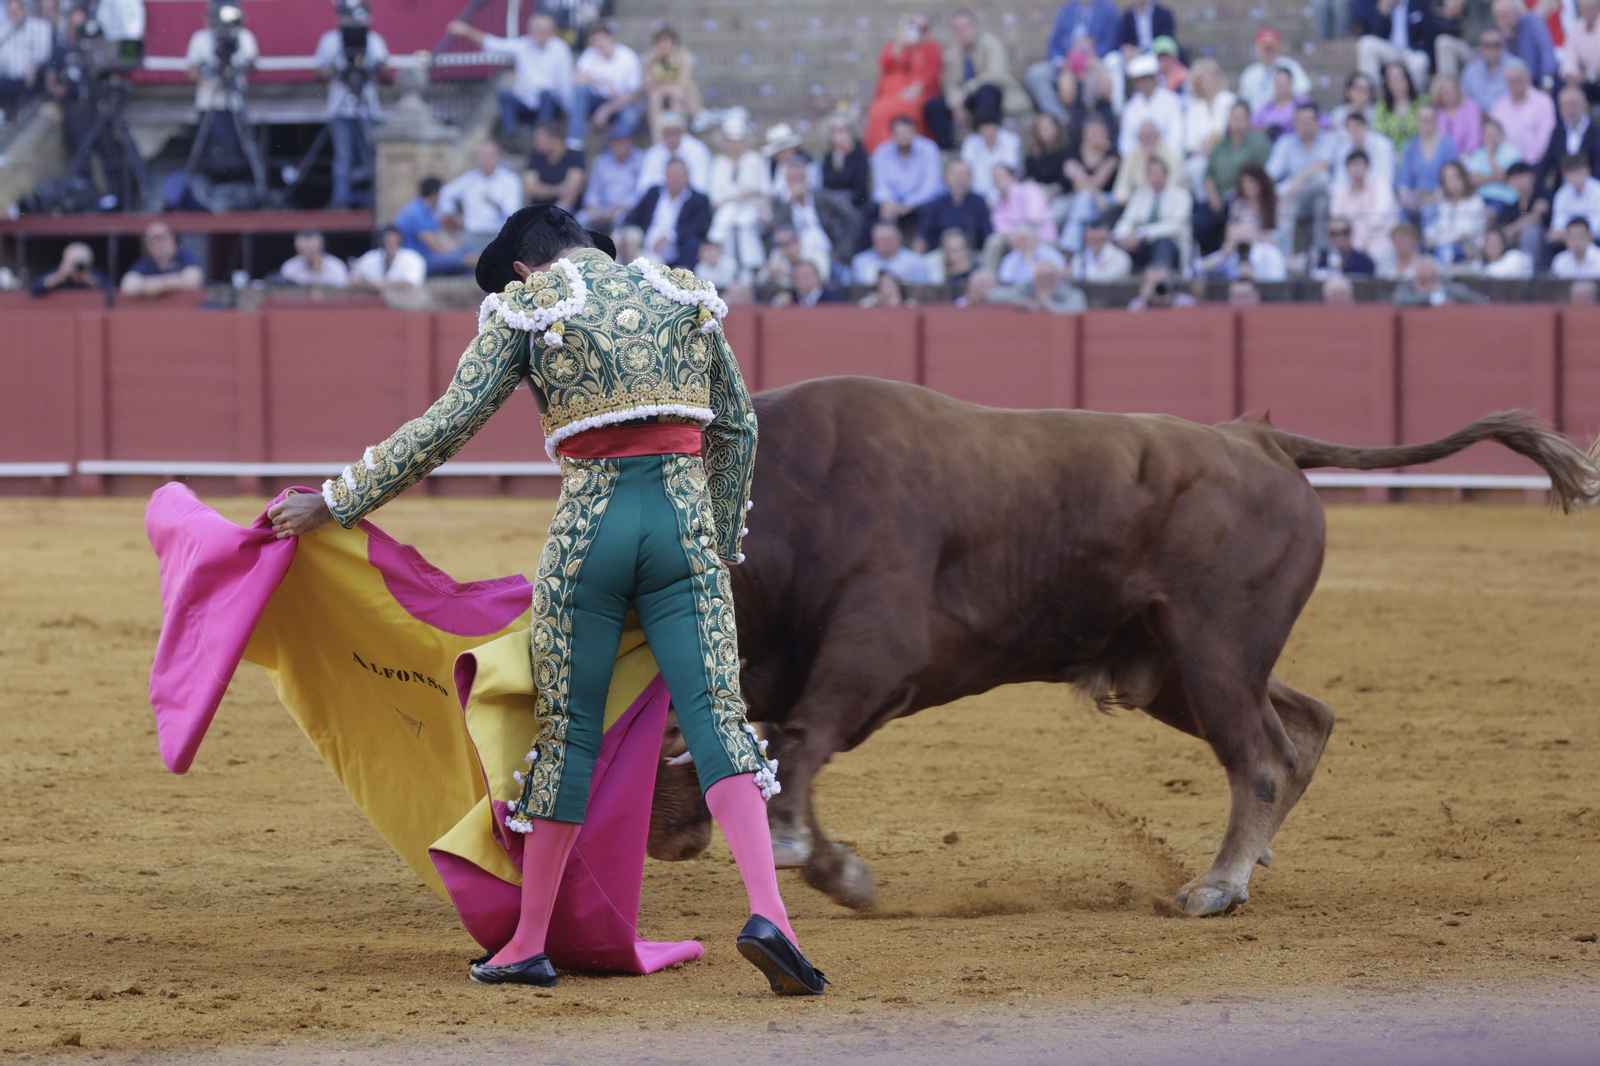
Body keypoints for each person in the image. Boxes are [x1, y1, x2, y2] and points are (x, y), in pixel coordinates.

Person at [268, 204, 823, 997]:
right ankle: (771, 914)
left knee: (567, 734)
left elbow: (445, 426)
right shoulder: (682, 295)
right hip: (682, 526)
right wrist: (714, 541)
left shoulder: (530, 308)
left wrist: (337, 500)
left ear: (525, 268)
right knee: (719, 722)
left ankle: (528, 942)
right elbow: (736, 430)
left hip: (591, 533)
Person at [449, 12, 572, 142]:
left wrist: (568, 111)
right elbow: (492, 44)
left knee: (546, 94)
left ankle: (542, 135)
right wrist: (467, 31)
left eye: (545, 30)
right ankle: (511, 138)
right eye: (538, 29)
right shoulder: (523, 45)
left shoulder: (560, 49)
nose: (541, 34)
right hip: (526, 105)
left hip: (549, 106)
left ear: (552, 31)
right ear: (530, 31)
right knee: (504, 94)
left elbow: (565, 84)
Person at [313, 8, 389, 210]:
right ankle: (340, 201)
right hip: (340, 106)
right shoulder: (330, 40)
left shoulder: (373, 40)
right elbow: (319, 71)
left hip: (367, 106)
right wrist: (340, 68)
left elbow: (386, 67)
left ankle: (378, 200)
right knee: (342, 157)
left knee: (370, 155)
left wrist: (368, 65)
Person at [929, 8, 1026, 150]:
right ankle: (948, 149)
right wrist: (956, 102)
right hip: (966, 99)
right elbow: (949, 83)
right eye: (957, 28)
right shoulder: (954, 51)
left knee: (987, 91)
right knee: (933, 106)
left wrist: (965, 91)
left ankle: (985, 143)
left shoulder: (991, 43)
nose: (961, 31)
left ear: (975, 27)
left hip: (993, 94)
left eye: (964, 27)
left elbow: (995, 75)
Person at [183, 3, 259, 175]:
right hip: (210, 102)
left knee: (239, 147)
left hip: (235, 102)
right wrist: (208, 71)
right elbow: (191, 71)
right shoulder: (201, 38)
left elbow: (254, 65)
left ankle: (239, 184)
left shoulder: (243, 37)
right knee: (211, 149)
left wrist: (238, 64)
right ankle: (209, 185)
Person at [1026, 0, 1120, 120]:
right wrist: (1060, 61)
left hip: (1095, 60)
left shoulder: (1107, 9)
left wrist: (1091, 59)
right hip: (1067, 62)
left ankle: (1115, 112)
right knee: (1035, 74)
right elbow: (1053, 43)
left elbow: (1111, 40)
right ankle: (1060, 117)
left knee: (1111, 65)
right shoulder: (1067, 11)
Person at [1266, 102, 1337, 256]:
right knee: (1285, 201)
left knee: (1322, 184)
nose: (1305, 126)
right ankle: (1285, 253)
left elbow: (1323, 164)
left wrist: (1298, 180)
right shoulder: (1286, 142)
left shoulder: (1329, 139)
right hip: (1294, 200)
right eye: (1301, 121)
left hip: (1320, 194)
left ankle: (1320, 254)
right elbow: (1271, 173)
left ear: (1318, 123)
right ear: (1295, 123)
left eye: (1310, 121)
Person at [864, 12, 943, 151]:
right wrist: (900, 44)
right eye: (914, 26)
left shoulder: (931, 46)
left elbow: (933, 72)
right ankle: (880, 151)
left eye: (923, 28)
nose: (918, 31)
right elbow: (884, 64)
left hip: (917, 92)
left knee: (904, 110)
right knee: (879, 112)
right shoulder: (895, 45)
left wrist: (918, 87)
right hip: (890, 93)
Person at [706, 116, 768, 278]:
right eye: (731, 141)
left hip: (752, 208)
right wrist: (740, 195)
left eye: (739, 141)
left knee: (744, 223)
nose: (734, 145)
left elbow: (763, 189)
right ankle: (727, 270)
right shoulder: (718, 162)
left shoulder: (755, 159)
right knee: (724, 223)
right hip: (726, 210)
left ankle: (751, 268)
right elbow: (715, 199)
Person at [869, 115, 945, 244]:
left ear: (915, 132)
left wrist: (908, 204)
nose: (903, 137)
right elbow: (880, 186)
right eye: (899, 133)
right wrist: (888, 202)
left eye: (907, 132)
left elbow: (931, 187)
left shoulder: (929, 149)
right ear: (892, 135)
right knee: (871, 210)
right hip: (894, 201)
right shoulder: (882, 152)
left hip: (920, 200)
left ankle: (921, 246)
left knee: (932, 207)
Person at [625, 157, 712, 270]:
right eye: (671, 175)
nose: (675, 179)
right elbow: (632, 216)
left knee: (692, 243)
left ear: (687, 175)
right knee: (627, 235)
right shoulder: (653, 193)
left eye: (678, 175)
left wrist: (671, 236)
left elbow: (700, 227)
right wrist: (633, 237)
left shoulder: (699, 199)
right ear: (665, 176)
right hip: (644, 246)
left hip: (676, 249)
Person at [770, 158, 854, 274]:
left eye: (799, 177)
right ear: (786, 181)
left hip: (828, 255)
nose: (796, 182)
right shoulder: (781, 203)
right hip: (796, 259)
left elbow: (853, 218)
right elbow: (778, 230)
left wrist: (842, 250)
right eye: (792, 178)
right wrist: (791, 200)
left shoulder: (822, 198)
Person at [570, 20, 643, 149]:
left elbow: (633, 96)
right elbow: (576, 78)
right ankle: (574, 139)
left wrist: (606, 110)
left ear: (611, 38)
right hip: (597, 100)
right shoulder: (589, 55)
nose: (600, 43)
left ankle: (610, 148)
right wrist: (602, 81)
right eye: (595, 40)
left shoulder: (628, 57)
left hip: (621, 103)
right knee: (579, 92)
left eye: (603, 38)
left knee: (630, 117)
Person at [439, 141, 525, 251]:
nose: (485, 159)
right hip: (472, 237)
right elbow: (445, 193)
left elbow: (513, 212)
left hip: (498, 236)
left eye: (489, 155)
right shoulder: (469, 179)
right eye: (482, 155)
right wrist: (452, 215)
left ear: (498, 157)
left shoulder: (510, 180)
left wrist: (495, 204)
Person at [1112, 154, 1192, 270]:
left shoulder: (1181, 196)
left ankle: (1159, 280)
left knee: (1163, 242)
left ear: (1166, 175)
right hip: (1142, 246)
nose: (1155, 177)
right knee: (1117, 246)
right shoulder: (1139, 196)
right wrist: (1123, 236)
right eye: (1152, 173)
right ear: (1147, 176)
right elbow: (1126, 220)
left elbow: (1175, 226)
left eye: (1159, 173)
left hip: (1172, 248)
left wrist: (1143, 233)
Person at [1059, 116, 1119, 252]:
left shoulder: (1112, 153)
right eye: (1091, 132)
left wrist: (1086, 184)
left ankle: (1069, 250)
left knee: (1084, 199)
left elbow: (1097, 181)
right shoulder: (1073, 151)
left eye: (1099, 132)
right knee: (1083, 199)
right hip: (1090, 199)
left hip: (1107, 199)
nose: (1095, 136)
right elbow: (1077, 184)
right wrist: (1095, 194)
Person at [395, 176, 476, 276]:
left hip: (429, 254)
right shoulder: (415, 212)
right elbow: (435, 245)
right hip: (418, 259)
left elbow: (440, 237)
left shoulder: (428, 211)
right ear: (434, 194)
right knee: (459, 262)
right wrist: (463, 257)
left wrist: (460, 250)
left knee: (469, 251)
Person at [1354, 0, 1438, 91]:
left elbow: (1428, 35)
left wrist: (1407, 55)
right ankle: (1373, 97)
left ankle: (1414, 100)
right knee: (1366, 44)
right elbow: (1376, 35)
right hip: (1392, 52)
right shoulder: (1384, 5)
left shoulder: (1419, 3)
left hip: (1413, 53)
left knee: (1420, 62)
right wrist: (1382, 12)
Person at [916, 158, 992, 255]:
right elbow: (923, 236)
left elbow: (987, 235)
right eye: (956, 174)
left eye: (965, 174)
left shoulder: (979, 202)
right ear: (946, 177)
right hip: (941, 256)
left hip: (972, 255)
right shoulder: (936, 204)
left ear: (971, 178)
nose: (960, 179)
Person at [1182, 58, 1238, 186]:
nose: (1207, 84)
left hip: (1228, 152)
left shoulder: (1229, 100)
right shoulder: (1194, 108)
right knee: (1194, 168)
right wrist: (1205, 151)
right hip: (1203, 156)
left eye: (1211, 78)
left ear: (1218, 79)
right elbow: (1191, 144)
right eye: (1203, 80)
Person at [1397, 101, 1458, 218]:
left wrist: (1433, 199)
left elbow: (1452, 176)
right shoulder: (1410, 146)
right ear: (1418, 122)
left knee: (1429, 213)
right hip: (1415, 198)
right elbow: (1404, 179)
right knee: (1402, 214)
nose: (1427, 124)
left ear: (1436, 121)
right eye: (1423, 120)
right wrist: (1408, 199)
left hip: (1440, 198)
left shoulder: (1448, 146)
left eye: (1430, 120)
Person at [1537, 83, 1600, 194]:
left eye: (1574, 105)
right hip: (1562, 193)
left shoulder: (1596, 132)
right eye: (1565, 106)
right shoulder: (1558, 133)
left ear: (1584, 104)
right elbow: (1546, 163)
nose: (1570, 110)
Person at [642, 26, 701, 141]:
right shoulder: (649, 56)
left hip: (683, 96)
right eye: (661, 42)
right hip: (661, 94)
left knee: (677, 99)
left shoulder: (683, 55)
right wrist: (670, 88)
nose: (664, 46)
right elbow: (648, 83)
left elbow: (683, 82)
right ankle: (658, 139)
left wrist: (660, 83)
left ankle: (679, 138)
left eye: (667, 42)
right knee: (654, 98)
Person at [635, 110, 712, 197]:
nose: (671, 137)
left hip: (690, 201)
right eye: (667, 133)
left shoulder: (698, 150)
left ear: (682, 131)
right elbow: (644, 186)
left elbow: (701, 184)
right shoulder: (653, 153)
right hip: (659, 201)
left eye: (674, 132)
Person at [1118, 53, 1181, 158]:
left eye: (1149, 78)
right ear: (1136, 82)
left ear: (1155, 78)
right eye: (1141, 79)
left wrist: (1158, 155)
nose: (1146, 83)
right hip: (1139, 159)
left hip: (1166, 157)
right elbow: (1125, 144)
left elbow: (1176, 137)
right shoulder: (1130, 108)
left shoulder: (1171, 100)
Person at [120, 221, 204, 298]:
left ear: (172, 239)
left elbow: (193, 280)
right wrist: (173, 282)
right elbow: (127, 286)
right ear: (148, 245)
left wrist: (153, 286)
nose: (158, 243)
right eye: (153, 239)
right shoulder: (146, 262)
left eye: (162, 237)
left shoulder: (185, 255)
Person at [1111, 119, 1185, 205]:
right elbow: (1121, 188)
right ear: (1138, 139)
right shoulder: (1131, 157)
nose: (1147, 140)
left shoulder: (1174, 154)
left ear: (1158, 136)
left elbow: (1174, 185)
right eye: (1143, 137)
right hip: (1139, 203)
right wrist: (1132, 200)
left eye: (1150, 136)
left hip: (1170, 202)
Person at [1238, 27, 1312, 112]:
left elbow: (1304, 93)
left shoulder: (1292, 67)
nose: (1268, 51)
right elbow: (1243, 102)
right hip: (1256, 122)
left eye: (1272, 47)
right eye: (1264, 47)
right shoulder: (1249, 73)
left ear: (1280, 47)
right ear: (1257, 48)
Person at [1424, 160, 1486, 261]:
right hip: (1442, 248)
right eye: (1447, 178)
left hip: (1467, 251)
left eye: (1455, 177)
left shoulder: (1475, 202)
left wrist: (1439, 242)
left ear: (1463, 177)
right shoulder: (1443, 204)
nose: (1452, 182)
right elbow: (1434, 230)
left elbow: (1463, 234)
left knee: (1446, 252)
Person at [0, 0, 51, 118]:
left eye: (16, 11)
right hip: (10, 80)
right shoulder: (3, 33)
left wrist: (33, 68)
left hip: (33, 77)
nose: (15, 16)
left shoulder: (40, 26)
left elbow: (44, 55)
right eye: (11, 13)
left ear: (23, 10)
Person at [990, 162, 1059, 249]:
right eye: (995, 177)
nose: (998, 179)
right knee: (993, 242)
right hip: (1014, 240)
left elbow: (1035, 218)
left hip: (1040, 236)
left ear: (1013, 177)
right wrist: (1014, 235)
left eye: (1001, 175)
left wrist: (1019, 233)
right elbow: (1001, 228)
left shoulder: (1030, 189)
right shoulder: (997, 204)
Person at [1491, 0, 1558, 85]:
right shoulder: (1499, 35)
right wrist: (1508, 38)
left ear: (1516, 13)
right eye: (1498, 18)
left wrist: (1547, 80)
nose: (1502, 21)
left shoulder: (1533, 22)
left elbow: (1547, 52)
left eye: (1505, 16)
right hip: (1514, 85)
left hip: (1540, 80)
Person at [1199, 219, 1288, 281]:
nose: (1241, 248)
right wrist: (1222, 255)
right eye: (1235, 240)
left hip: (1267, 303)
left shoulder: (1270, 252)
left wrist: (1253, 276)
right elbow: (1197, 270)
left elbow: (1279, 283)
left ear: (1254, 236)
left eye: (1243, 242)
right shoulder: (1229, 254)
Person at [524, 122, 586, 211]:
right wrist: (556, 190)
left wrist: (555, 215)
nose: (535, 143)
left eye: (539, 140)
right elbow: (530, 188)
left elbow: (572, 189)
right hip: (539, 211)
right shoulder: (535, 157)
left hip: (569, 211)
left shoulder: (575, 156)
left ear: (555, 139)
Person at [991, 256, 1088, 312]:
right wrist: (1019, 302)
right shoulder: (1026, 289)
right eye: (1042, 277)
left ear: (1058, 279)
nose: (1046, 282)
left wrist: (1050, 306)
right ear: (1034, 279)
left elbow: (1078, 309)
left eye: (1050, 277)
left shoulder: (1068, 292)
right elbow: (994, 295)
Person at [1465, 116, 1523, 210]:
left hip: (1504, 198)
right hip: (1479, 197)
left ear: (1502, 134)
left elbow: (1505, 177)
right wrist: (1494, 178)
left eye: (1493, 133)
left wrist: (1491, 158)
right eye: (1487, 134)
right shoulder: (1478, 154)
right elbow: (1472, 180)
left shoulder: (1512, 152)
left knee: (1488, 214)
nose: (1490, 137)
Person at [1332, 110, 1397, 192]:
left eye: (1357, 127)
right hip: (1353, 194)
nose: (1354, 131)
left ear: (1366, 126)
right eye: (1350, 128)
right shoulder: (1343, 149)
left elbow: (1385, 177)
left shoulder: (1382, 145)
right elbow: (1340, 179)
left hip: (1379, 192)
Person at [1498, 160, 1552, 256]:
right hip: (1520, 246)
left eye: (1522, 177)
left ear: (1532, 177)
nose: (1519, 182)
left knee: (1529, 231)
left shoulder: (1542, 195)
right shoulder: (1513, 206)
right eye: (1514, 179)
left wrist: (1513, 229)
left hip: (1546, 240)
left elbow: (1535, 217)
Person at [961, 117, 1022, 202]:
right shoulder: (970, 143)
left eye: (990, 126)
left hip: (1004, 195)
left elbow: (1011, 173)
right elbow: (966, 170)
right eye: (984, 127)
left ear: (996, 126)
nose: (987, 130)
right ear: (979, 129)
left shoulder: (1011, 140)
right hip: (977, 196)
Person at [850, 221, 931, 285]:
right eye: (880, 240)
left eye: (888, 240)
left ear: (898, 240)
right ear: (873, 241)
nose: (884, 244)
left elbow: (921, 291)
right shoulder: (860, 262)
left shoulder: (916, 261)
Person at [350, 226, 427, 290]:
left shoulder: (413, 258)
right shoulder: (370, 258)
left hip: (403, 304)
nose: (390, 246)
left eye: (394, 242)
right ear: (382, 243)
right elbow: (352, 280)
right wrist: (370, 284)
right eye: (387, 243)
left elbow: (411, 284)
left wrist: (382, 283)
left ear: (400, 243)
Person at [1548, 153, 1600, 244]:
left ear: (1587, 170)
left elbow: (1597, 224)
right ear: (1565, 175)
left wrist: (1580, 235)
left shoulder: (1597, 190)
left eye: (1578, 172)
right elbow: (1557, 225)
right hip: (1568, 241)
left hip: (1594, 239)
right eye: (1571, 173)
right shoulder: (1562, 194)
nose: (1575, 177)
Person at [996, 221, 1068, 285]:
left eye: (1027, 239)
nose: (1024, 243)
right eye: (1020, 240)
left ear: (1036, 238)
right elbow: (1006, 282)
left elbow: (1063, 275)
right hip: (1019, 295)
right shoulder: (1010, 259)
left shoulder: (1050, 254)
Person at [1374, 60, 1425, 145]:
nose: (1397, 84)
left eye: (1400, 78)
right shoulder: (1382, 106)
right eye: (1392, 80)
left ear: (1408, 79)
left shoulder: (1422, 101)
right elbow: (1379, 136)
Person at [1395, 255, 1490, 302]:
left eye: (1431, 279)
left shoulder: (1451, 289)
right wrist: (1429, 298)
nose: (1428, 283)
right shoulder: (1407, 290)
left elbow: (1480, 301)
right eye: (1423, 280)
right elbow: (1400, 299)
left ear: (1438, 278)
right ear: (1415, 279)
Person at [1461, 27, 1512, 112]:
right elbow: (1464, 100)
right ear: (1481, 47)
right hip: (1478, 119)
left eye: (1496, 45)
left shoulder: (1515, 67)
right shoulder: (1470, 70)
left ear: (1503, 46)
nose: (1492, 49)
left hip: (1508, 117)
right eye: (1487, 45)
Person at [1310, 216, 1379, 276]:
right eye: (1334, 233)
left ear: (1351, 233)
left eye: (1345, 232)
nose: (1340, 237)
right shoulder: (1321, 259)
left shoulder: (1364, 261)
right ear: (1328, 236)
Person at [1430, 73, 1481, 155]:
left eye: (1452, 89)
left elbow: (1474, 138)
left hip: (1469, 157)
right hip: (1444, 161)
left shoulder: (1470, 107)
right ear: (1439, 95)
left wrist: (1465, 156)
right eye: (1446, 92)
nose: (1451, 94)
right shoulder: (1437, 114)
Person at [29, 241, 105, 295]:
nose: (77, 268)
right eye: (74, 263)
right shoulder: (57, 274)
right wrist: (59, 277)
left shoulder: (95, 274)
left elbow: (110, 290)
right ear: (65, 261)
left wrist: (90, 280)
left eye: (81, 264)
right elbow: (34, 288)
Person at [279, 230, 349, 287]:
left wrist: (317, 270)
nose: (309, 255)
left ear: (321, 248)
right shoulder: (289, 267)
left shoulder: (335, 267)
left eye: (312, 250)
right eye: (304, 251)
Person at [1562, 0, 1600, 99]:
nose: (1588, 12)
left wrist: (1589, 76)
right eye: (1584, 9)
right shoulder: (1576, 29)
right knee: (1560, 87)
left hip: (1595, 78)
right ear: (1579, 10)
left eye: (1591, 8)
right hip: (1583, 78)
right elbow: (1569, 59)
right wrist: (1571, 75)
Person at [772, 258, 847, 306]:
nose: (805, 279)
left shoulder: (832, 296)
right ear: (794, 280)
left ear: (817, 277)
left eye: (808, 275)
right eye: (801, 276)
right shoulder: (791, 297)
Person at [1127, 263, 1197, 308]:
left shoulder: (1187, 302)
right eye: (1155, 284)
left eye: (1162, 283)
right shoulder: (1137, 305)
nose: (1160, 288)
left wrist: (1171, 303)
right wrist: (1144, 301)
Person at [932, 228, 978, 293]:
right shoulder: (939, 275)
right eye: (948, 250)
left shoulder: (979, 274)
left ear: (967, 249)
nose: (951, 254)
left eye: (956, 250)